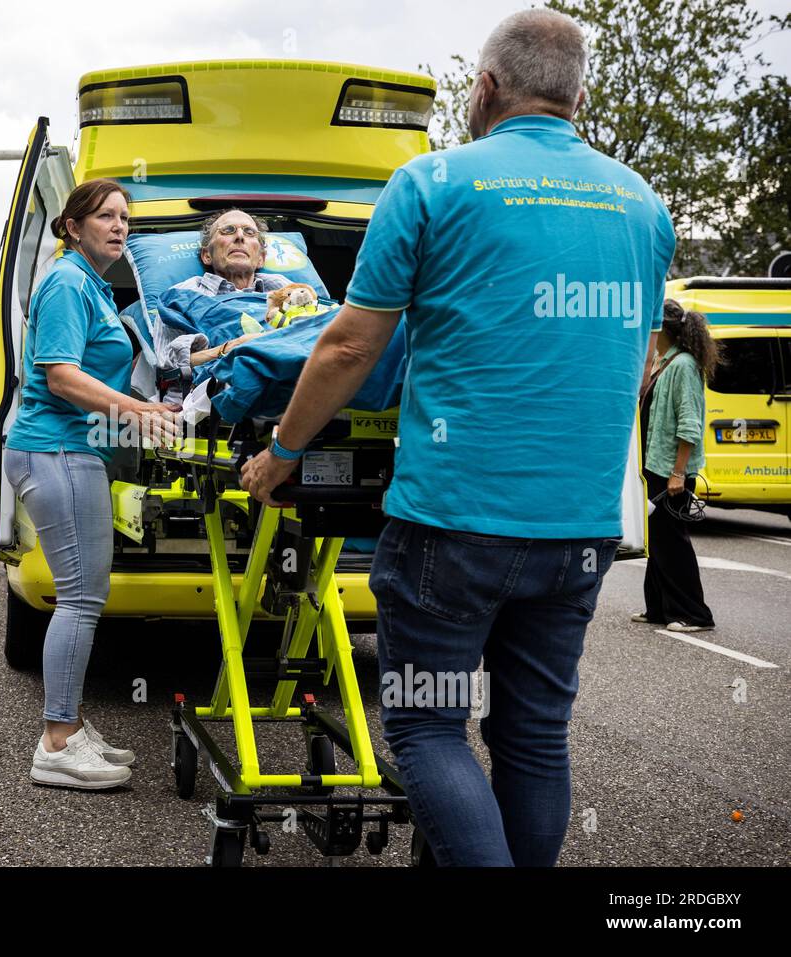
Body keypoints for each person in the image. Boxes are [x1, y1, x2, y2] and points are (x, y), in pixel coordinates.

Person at [241, 9, 675, 866]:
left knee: (429, 722)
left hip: (456, 520)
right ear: (577, 94)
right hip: (580, 526)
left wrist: (283, 453)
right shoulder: (644, 204)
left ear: (484, 87)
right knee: (533, 730)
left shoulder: (434, 182)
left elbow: (350, 345)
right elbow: (637, 362)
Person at [4, 178, 181, 790]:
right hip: (56, 450)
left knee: (87, 595)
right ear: (74, 226)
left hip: (71, 452)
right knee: (80, 599)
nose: (119, 226)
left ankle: (70, 726)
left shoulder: (95, 287)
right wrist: (136, 413)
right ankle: (56, 742)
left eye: (125, 218)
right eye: (105, 216)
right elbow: (59, 376)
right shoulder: (67, 281)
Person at [634, 301, 718, 632]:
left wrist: (679, 472)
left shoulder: (683, 366)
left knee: (673, 543)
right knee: (657, 541)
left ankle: (696, 614)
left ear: (664, 329)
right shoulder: (662, 362)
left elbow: (690, 423)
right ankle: (658, 608)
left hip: (672, 470)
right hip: (655, 465)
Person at [159, 208, 286, 379]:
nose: (240, 237)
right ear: (206, 256)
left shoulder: (285, 289)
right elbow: (167, 364)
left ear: (261, 259)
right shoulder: (182, 295)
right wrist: (231, 348)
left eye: (249, 232)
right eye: (228, 230)